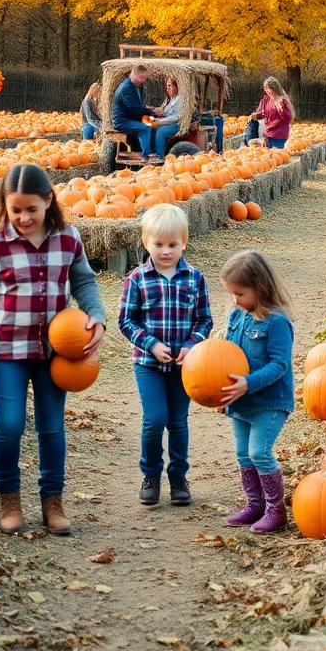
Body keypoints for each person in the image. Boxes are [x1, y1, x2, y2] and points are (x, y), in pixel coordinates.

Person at [0, 163, 107, 536]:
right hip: (7, 349)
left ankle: (52, 500)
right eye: (16, 210)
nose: (24, 217)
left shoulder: (68, 237)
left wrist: (97, 315)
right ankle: (9, 497)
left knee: (51, 425)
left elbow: (85, 283)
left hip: (55, 352)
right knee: (10, 424)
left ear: (48, 201)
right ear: (5, 206)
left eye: (32, 209)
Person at [118, 205, 213, 507]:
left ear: (184, 242)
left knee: (178, 421)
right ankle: (151, 474)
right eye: (158, 244)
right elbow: (126, 321)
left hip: (185, 365)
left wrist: (191, 345)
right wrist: (151, 345)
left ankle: (178, 477)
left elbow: (204, 320)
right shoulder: (137, 279)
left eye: (172, 244)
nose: (166, 251)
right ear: (146, 243)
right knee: (155, 418)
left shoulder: (195, 278)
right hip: (148, 363)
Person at [220, 251, 295, 534]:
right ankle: (255, 505)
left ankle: (276, 511)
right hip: (241, 400)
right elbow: (228, 354)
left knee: (259, 452)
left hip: (269, 401)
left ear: (259, 288)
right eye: (230, 294)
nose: (234, 300)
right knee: (242, 453)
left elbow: (279, 365)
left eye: (239, 293)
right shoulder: (237, 315)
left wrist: (248, 383)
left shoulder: (276, 322)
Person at [111, 64, 159, 160]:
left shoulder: (131, 85)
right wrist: (152, 112)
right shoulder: (127, 88)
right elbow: (133, 107)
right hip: (122, 121)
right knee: (145, 128)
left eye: (145, 77)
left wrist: (152, 112)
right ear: (134, 74)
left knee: (154, 123)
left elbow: (137, 106)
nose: (144, 80)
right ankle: (146, 155)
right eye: (142, 77)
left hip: (130, 118)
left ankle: (154, 151)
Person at [245, 77, 294, 148]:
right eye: (265, 89)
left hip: (279, 135)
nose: (266, 91)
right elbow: (263, 113)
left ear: (274, 88)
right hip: (268, 135)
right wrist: (255, 116)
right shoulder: (266, 100)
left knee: (276, 155)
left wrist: (281, 109)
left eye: (268, 89)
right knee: (269, 156)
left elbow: (288, 119)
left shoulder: (282, 100)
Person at [148, 76, 182, 158]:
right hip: (167, 122)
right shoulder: (169, 99)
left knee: (161, 131)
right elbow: (166, 112)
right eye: (167, 86)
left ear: (176, 86)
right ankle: (151, 152)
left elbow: (176, 117)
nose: (168, 88)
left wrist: (160, 121)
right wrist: (159, 113)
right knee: (150, 126)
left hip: (176, 125)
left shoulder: (180, 99)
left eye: (170, 86)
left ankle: (159, 156)